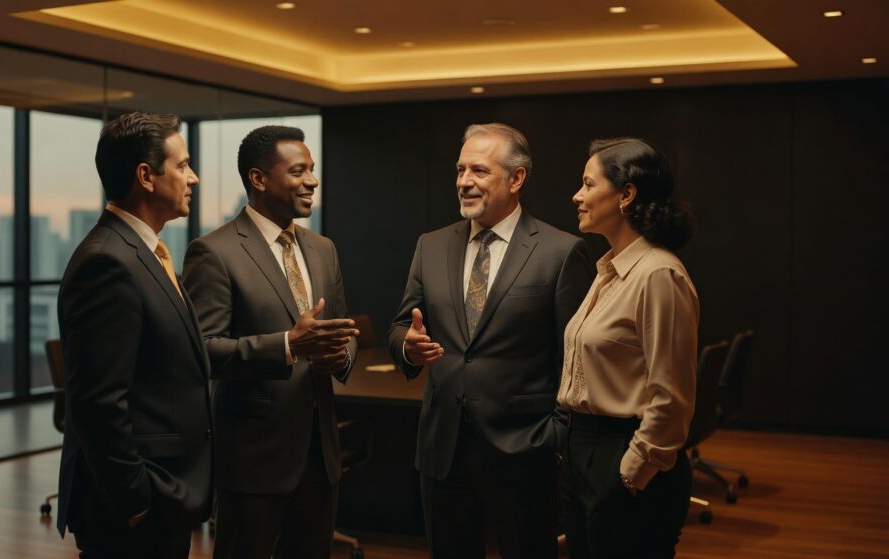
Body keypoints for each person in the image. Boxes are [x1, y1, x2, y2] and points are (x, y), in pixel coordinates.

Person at [387, 123, 593, 558]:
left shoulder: (560, 252)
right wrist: (408, 345)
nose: (464, 181)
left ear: (516, 179)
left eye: (479, 170)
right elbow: (402, 324)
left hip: (523, 449)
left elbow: (575, 361)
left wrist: (554, 436)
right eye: (460, 169)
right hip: (443, 448)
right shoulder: (431, 245)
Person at [182, 125, 358, 559]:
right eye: (298, 171)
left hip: (320, 456)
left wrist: (340, 355)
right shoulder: (215, 252)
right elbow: (202, 350)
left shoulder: (323, 249)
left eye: (312, 171)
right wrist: (286, 345)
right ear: (259, 179)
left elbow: (339, 331)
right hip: (253, 459)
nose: (312, 181)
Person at [56, 112, 213, 559]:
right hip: (136, 510)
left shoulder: (147, 251)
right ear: (146, 176)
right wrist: (136, 501)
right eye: (182, 165)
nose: (194, 178)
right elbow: (97, 402)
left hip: (166, 496)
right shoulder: (107, 262)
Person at [557, 137, 698, 559]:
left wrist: (628, 477)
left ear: (626, 195)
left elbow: (670, 399)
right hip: (582, 450)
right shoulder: (609, 270)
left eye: (587, 184)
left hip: (622, 455)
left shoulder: (658, 274)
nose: (576, 196)